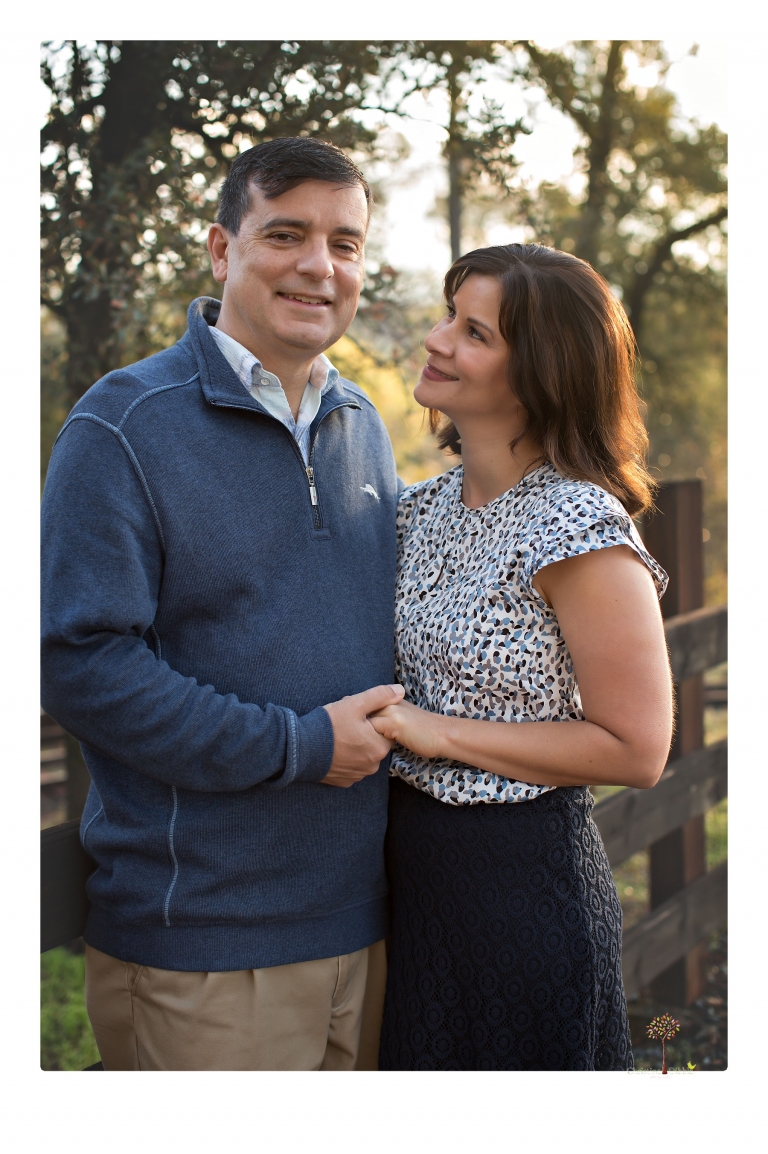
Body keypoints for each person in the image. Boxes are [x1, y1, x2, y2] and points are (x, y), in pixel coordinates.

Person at [40, 137, 405, 1071]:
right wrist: (299, 748)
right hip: (205, 943)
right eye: (285, 234)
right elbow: (78, 663)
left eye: (346, 243)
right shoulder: (123, 424)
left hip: (369, 923)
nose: (319, 266)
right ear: (220, 249)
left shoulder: (360, 421)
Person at [370, 243, 674, 1071]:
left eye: (473, 332)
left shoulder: (578, 526)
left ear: (539, 374)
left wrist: (440, 732)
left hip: (520, 890)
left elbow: (637, 749)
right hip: (406, 886)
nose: (436, 340)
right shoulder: (416, 511)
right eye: (447, 315)